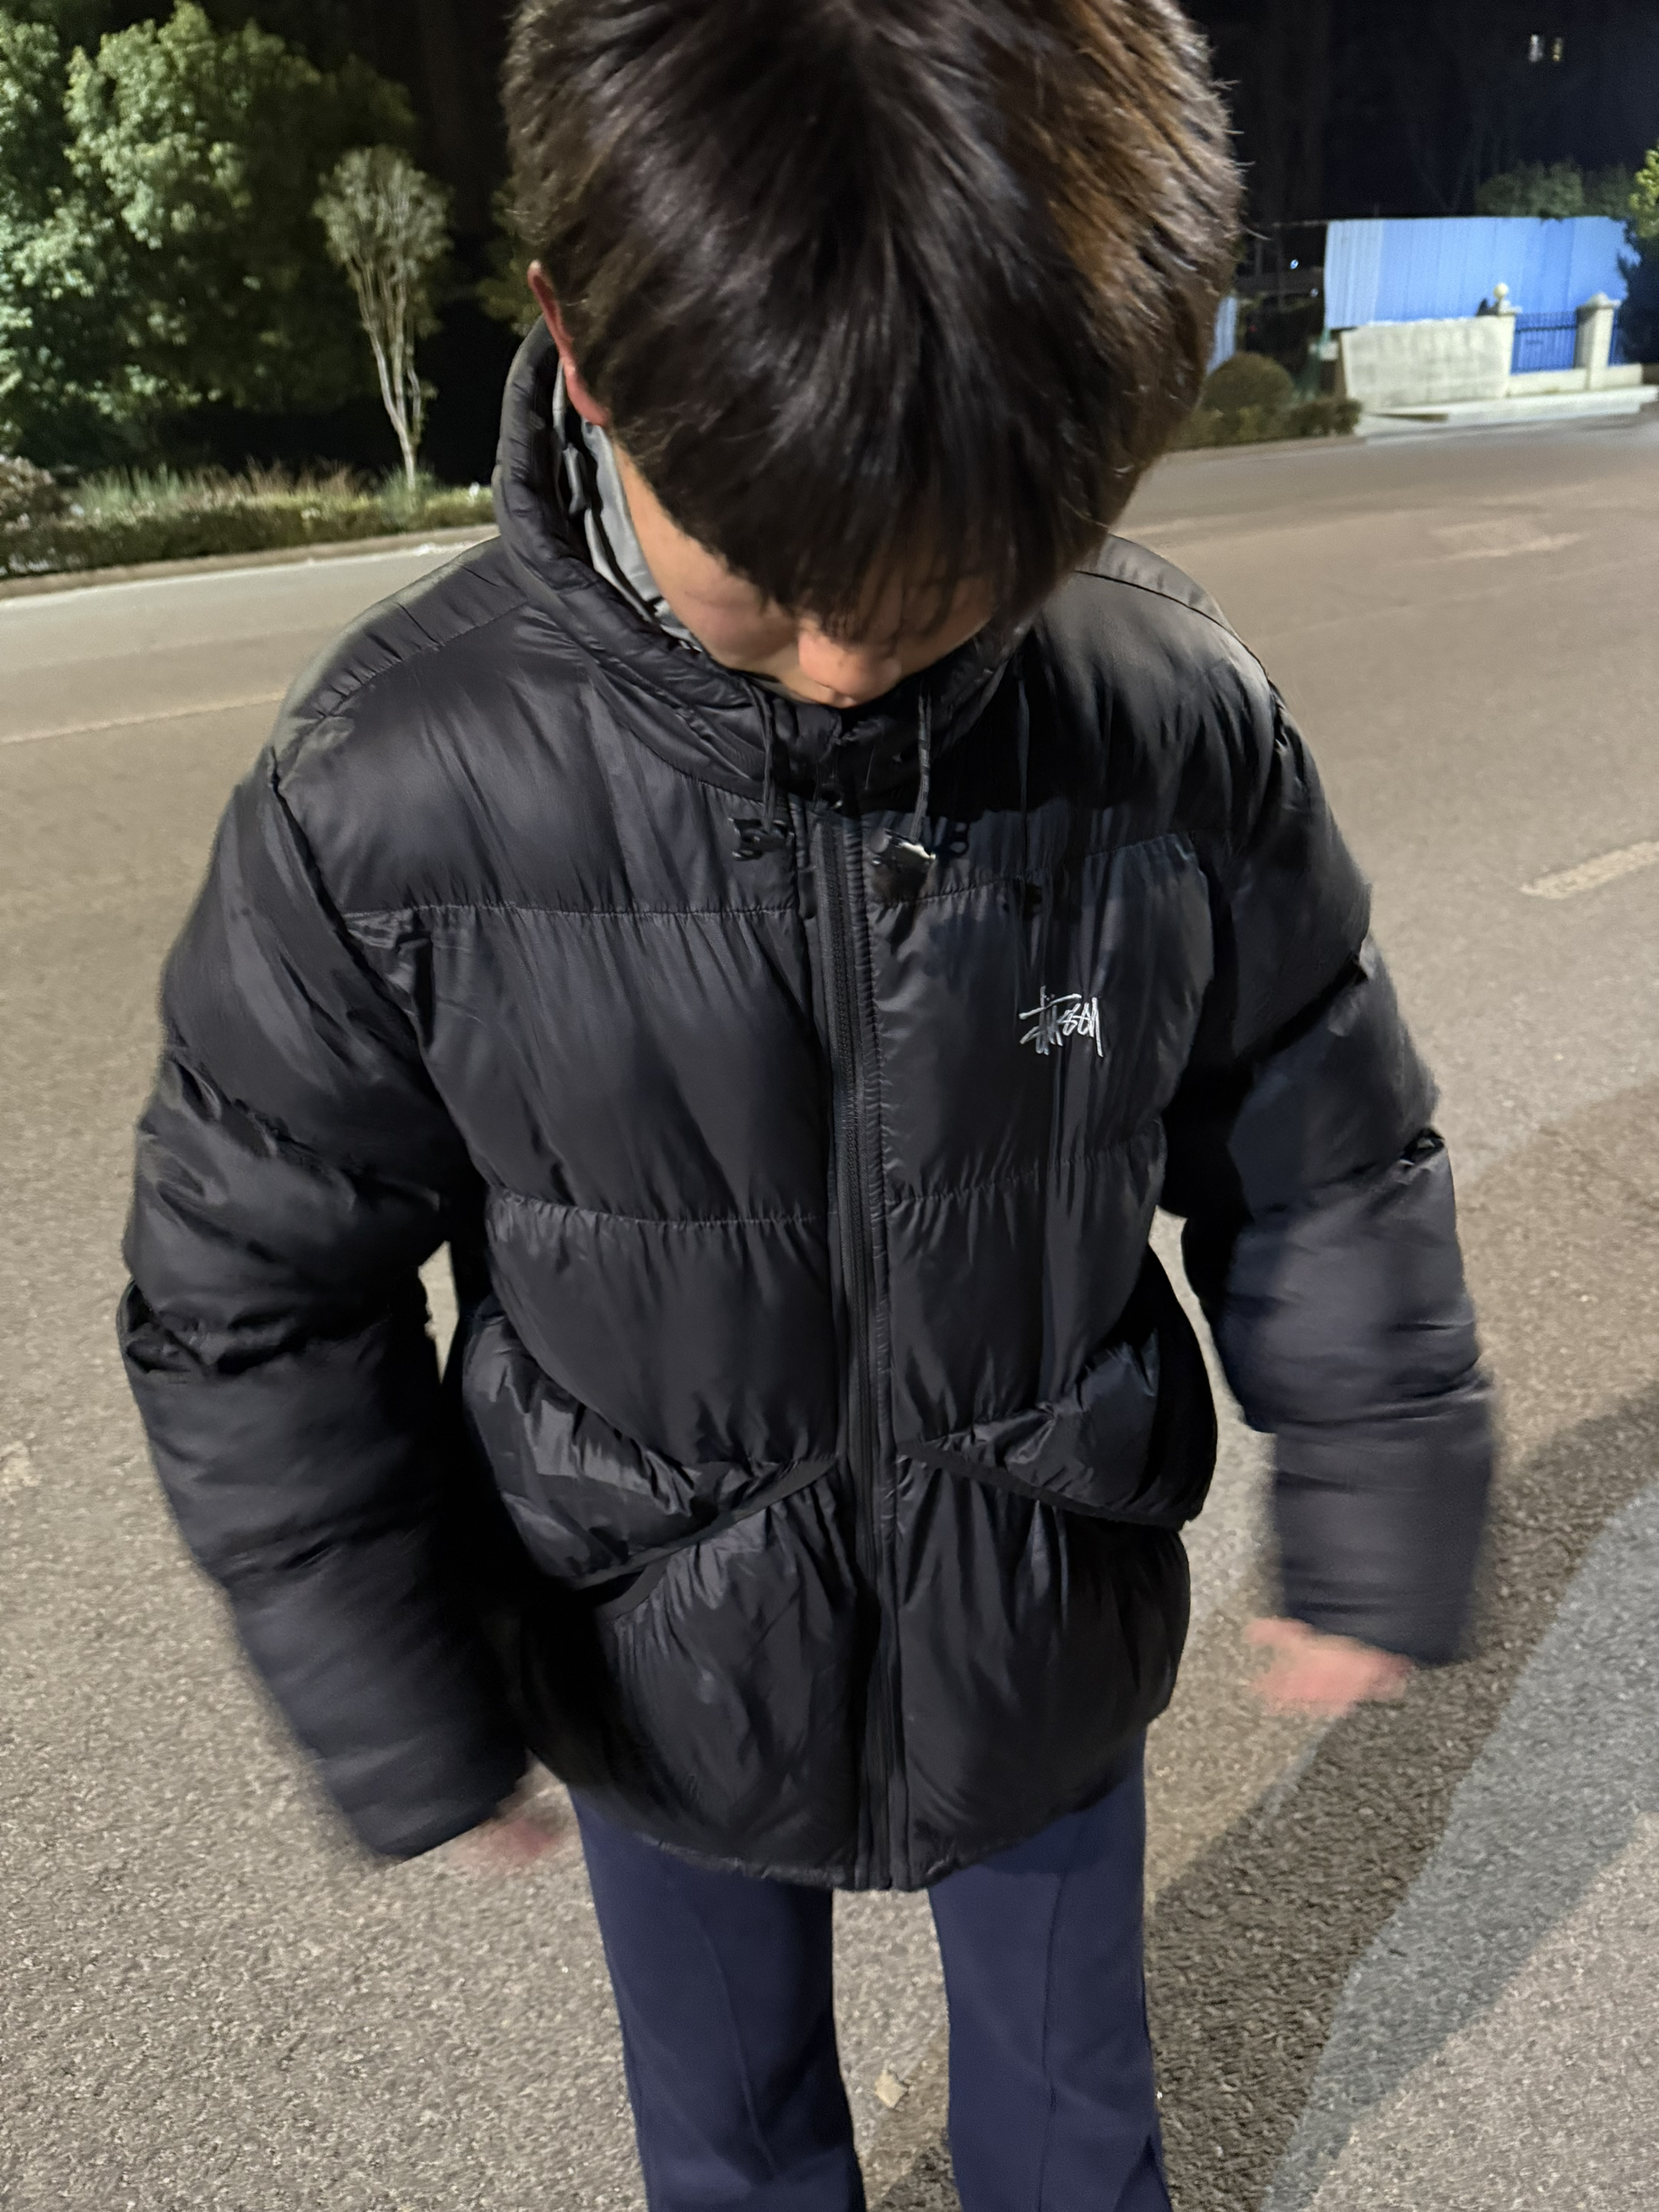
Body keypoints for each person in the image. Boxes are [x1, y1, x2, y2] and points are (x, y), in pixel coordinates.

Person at [119, 3, 1493, 2207]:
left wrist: (1383, 1478)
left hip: (1040, 1616)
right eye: (769, 575)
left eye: (949, 591)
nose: (852, 666)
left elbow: (1319, 1135)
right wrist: (391, 1682)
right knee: (733, 2144)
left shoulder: (1162, 717)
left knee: (1076, 2122)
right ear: (583, 351)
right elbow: (252, 1293)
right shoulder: (389, 791)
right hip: (646, 1650)